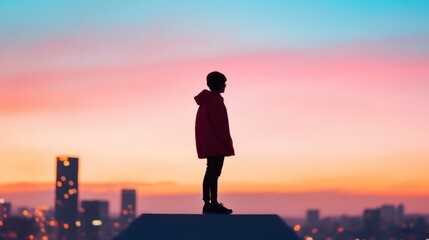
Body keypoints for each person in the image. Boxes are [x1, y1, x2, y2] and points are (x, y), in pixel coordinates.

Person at [194, 71, 234, 214]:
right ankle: (214, 204)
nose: (225, 85)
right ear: (218, 84)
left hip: (208, 142)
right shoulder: (216, 100)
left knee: (209, 172)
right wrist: (225, 141)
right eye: (224, 83)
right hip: (216, 144)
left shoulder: (204, 102)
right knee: (214, 173)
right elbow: (220, 124)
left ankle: (207, 203)